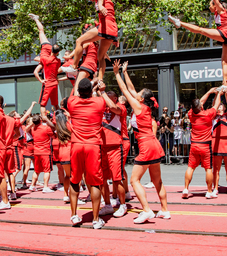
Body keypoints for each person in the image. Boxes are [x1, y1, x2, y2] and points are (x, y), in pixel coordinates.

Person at [113, 60, 169, 224]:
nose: (136, 93)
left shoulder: (138, 107)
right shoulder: (146, 107)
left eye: (140, 93)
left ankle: (146, 210)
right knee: (157, 181)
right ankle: (164, 210)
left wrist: (116, 73)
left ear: (142, 98)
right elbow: (131, 89)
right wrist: (125, 73)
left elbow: (125, 89)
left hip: (146, 145)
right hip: (154, 144)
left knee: (133, 180)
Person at [168, 0, 227, 86]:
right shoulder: (218, 13)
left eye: (210, 4)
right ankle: (225, 83)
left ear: (215, 5)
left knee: (200, 30)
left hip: (226, 33)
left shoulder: (220, 10)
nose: (209, 6)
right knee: (224, 61)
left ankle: (180, 23)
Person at [67, 78, 106, 229]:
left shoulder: (72, 102)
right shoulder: (99, 102)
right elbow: (100, 97)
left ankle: (74, 215)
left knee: (74, 180)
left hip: (76, 145)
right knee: (95, 182)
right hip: (93, 145)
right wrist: (96, 87)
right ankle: (96, 219)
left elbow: (76, 91)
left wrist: (90, 86)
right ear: (90, 91)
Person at [69, 0, 118, 81]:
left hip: (105, 26)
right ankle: (100, 79)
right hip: (112, 28)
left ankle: (74, 67)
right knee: (101, 57)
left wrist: (100, 5)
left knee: (79, 41)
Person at [182, 89, 222, 199]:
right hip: (205, 145)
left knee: (190, 167)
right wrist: (219, 93)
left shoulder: (191, 114)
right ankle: (209, 191)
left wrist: (209, 92)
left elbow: (200, 102)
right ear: (201, 107)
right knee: (208, 168)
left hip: (194, 145)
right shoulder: (207, 114)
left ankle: (186, 188)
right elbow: (217, 104)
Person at [97, 86, 128, 218]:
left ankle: (122, 205)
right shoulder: (101, 109)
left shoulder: (121, 107)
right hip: (102, 147)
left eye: (109, 99)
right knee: (102, 179)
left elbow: (114, 108)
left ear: (115, 99)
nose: (106, 101)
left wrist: (103, 93)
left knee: (117, 179)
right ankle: (108, 205)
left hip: (115, 146)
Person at [30, 14, 61, 120]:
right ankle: (60, 118)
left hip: (48, 82)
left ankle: (36, 19)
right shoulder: (58, 61)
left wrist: (41, 80)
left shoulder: (45, 58)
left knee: (41, 31)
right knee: (55, 104)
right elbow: (37, 61)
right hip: (54, 83)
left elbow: (35, 61)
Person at [4, 102, 36, 199]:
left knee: (12, 167)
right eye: (17, 113)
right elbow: (26, 115)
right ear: (14, 116)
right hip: (16, 146)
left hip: (15, 145)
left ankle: (9, 184)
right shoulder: (15, 122)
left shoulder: (10, 122)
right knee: (17, 167)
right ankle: (9, 185)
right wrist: (32, 105)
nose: (18, 114)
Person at [212, 89, 227, 196]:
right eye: (219, 105)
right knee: (216, 168)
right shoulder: (213, 117)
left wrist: (226, 94)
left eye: (221, 105)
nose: (219, 106)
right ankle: (215, 188)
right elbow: (213, 105)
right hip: (216, 144)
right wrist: (217, 94)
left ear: (224, 108)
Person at [27, 114, 55, 193]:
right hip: (45, 152)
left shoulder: (32, 129)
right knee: (47, 170)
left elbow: (27, 129)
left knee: (36, 170)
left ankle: (33, 185)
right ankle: (45, 186)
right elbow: (54, 136)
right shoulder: (46, 128)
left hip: (36, 151)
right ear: (41, 120)